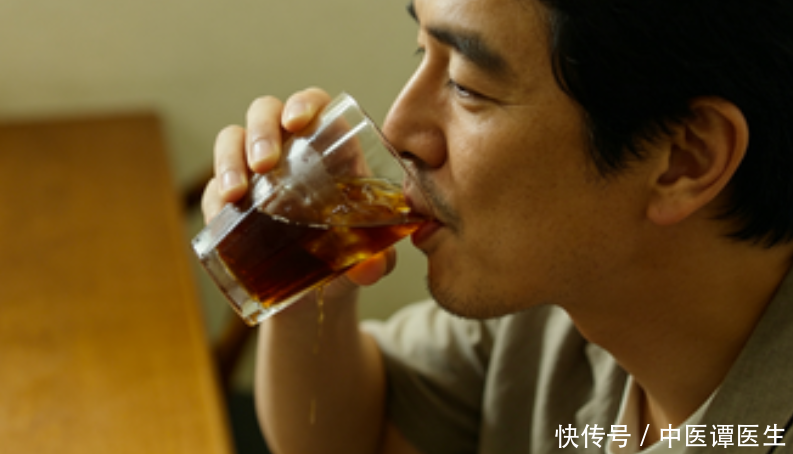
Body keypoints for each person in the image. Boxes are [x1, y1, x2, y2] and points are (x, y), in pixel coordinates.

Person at [202, 0, 793, 452]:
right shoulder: (554, 308)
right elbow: (350, 436)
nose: (399, 132)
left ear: (684, 159)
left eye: (466, 84)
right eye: (421, 52)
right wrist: (313, 290)